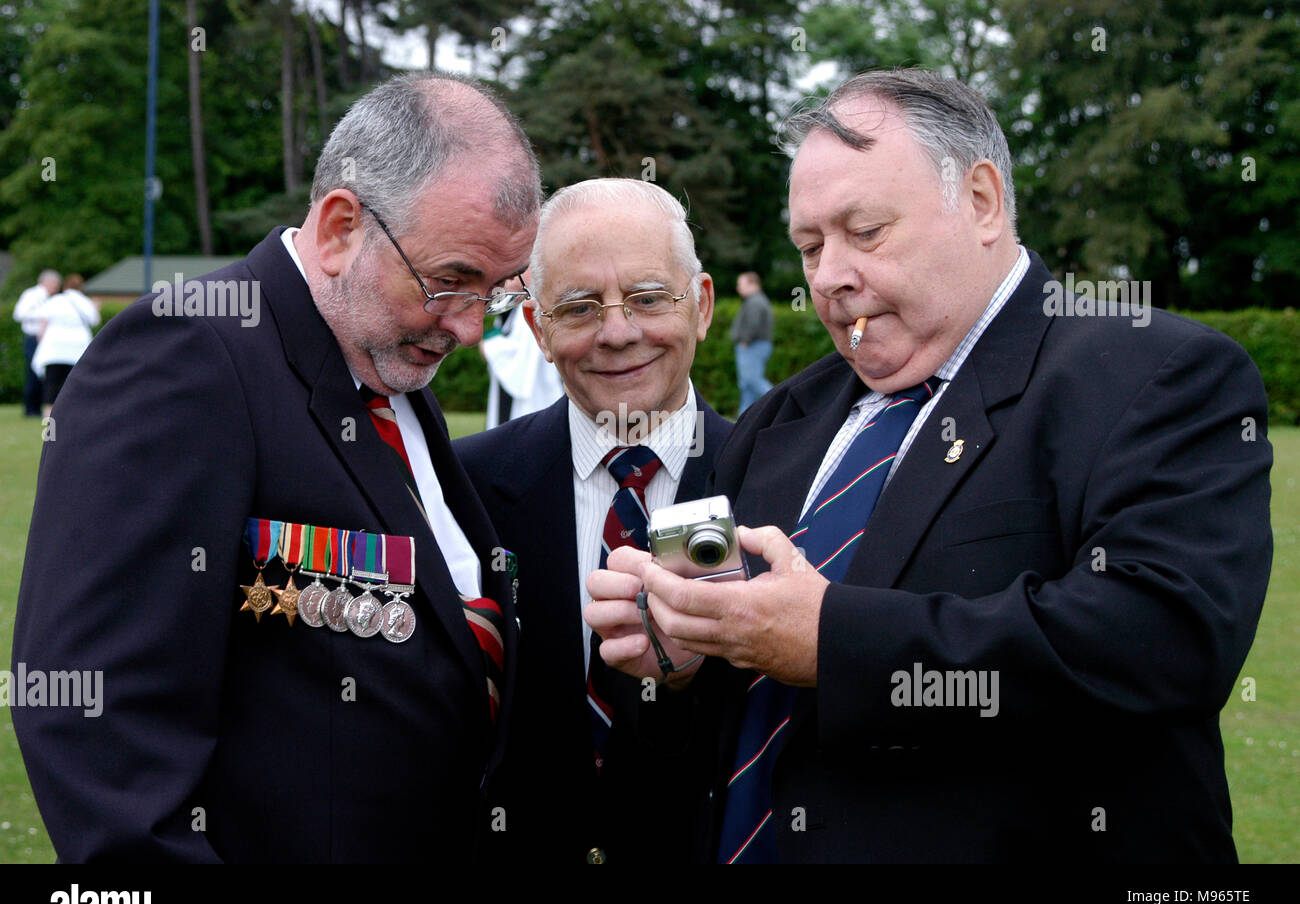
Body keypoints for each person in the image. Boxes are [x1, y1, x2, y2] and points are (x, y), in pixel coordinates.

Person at [586, 68, 1272, 863]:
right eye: (809, 246)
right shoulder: (777, 420)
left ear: (981, 201)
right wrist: (675, 661)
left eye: (865, 231)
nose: (828, 277)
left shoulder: (1159, 374)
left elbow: (1163, 642)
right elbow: (702, 732)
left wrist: (831, 639)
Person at [12, 72, 541, 862]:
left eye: (495, 292)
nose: (468, 328)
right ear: (338, 228)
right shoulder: (186, 357)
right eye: (448, 282)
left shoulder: (389, 370)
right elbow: (104, 738)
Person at [455, 178, 731, 863]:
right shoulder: (467, 488)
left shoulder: (777, 481)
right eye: (579, 308)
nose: (618, 332)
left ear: (699, 306)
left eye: (646, 298)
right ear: (539, 330)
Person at [480, 269, 564, 428]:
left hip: (538, 389)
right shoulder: (510, 307)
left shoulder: (533, 306)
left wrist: (487, 347)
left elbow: (523, 353)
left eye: (515, 275)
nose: (506, 282)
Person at [31, 273, 100, 416]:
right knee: (75, 382)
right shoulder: (85, 302)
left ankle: (48, 415)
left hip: (54, 347)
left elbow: (43, 323)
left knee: (52, 381)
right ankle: (74, 413)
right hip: (78, 347)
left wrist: (40, 343)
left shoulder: (55, 300)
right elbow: (95, 321)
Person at [12, 269, 60, 417]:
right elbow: (19, 314)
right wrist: (43, 315)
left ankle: (41, 407)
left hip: (47, 339)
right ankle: (30, 409)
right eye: (56, 284)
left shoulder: (52, 298)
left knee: (45, 374)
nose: (57, 288)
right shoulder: (31, 295)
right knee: (33, 372)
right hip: (33, 338)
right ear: (47, 282)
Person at [730, 271, 774, 414]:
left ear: (752, 284)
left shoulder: (755, 302)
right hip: (754, 346)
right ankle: (744, 417)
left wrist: (745, 341)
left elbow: (753, 325)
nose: (738, 288)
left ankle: (779, 402)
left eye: (740, 284)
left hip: (753, 346)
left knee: (753, 381)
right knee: (747, 385)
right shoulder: (756, 301)